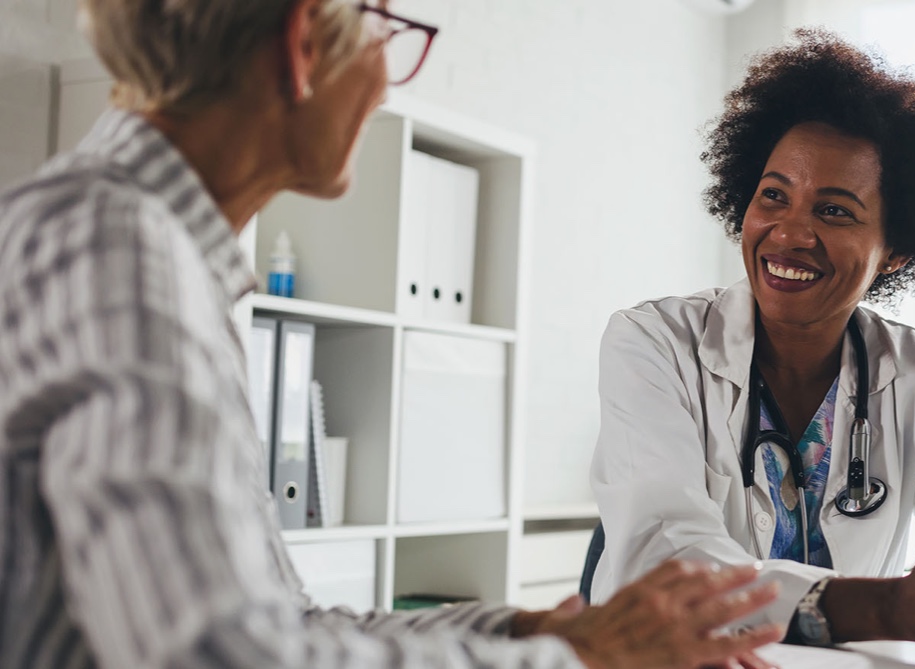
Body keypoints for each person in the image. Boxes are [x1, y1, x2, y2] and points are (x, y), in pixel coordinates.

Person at [0, 1, 785, 668]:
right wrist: (573, 657)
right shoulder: (118, 245)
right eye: (382, 33)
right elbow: (220, 652)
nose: (383, 82)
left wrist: (526, 629)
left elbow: (281, 621)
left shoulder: (140, 246)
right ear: (304, 45)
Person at [589, 28, 915, 664]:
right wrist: (890, 607)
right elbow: (665, 550)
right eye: (773, 195)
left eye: (834, 211)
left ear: (895, 252)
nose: (789, 232)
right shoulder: (655, 342)